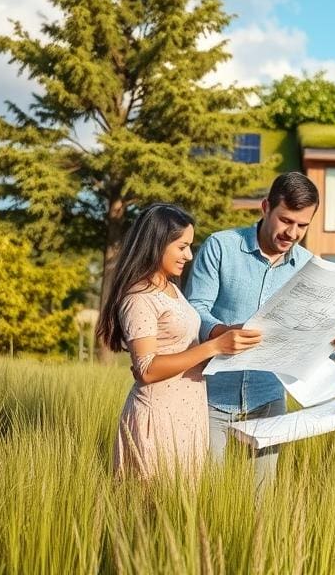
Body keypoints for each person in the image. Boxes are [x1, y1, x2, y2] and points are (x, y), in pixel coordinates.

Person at [186, 172, 335, 484]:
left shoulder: (310, 268)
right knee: (204, 495)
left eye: (302, 225)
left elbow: (310, 339)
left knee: (261, 505)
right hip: (210, 397)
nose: (292, 232)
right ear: (266, 207)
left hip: (268, 401)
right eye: (285, 220)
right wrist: (221, 333)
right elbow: (194, 309)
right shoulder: (221, 247)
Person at [96, 203, 263, 480]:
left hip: (187, 416)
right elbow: (146, 369)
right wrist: (214, 346)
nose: (188, 255)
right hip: (158, 419)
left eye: (190, 246)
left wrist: (231, 336)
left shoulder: (171, 288)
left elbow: (184, 346)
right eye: (182, 246)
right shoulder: (139, 297)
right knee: (150, 515)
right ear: (158, 244)